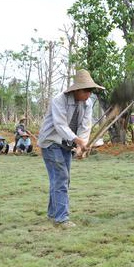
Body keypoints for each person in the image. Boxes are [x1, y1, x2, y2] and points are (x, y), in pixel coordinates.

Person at [37, 69, 105, 228]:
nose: (89, 94)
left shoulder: (87, 104)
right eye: (86, 90)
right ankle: (61, 219)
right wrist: (78, 140)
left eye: (91, 91)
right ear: (77, 90)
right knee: (61, 177)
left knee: (62, 180)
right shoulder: (59, 100)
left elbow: (85, 127)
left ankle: (53, 214)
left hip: (67, 144)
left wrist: (81, 147)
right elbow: (60, 126)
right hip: (51, 142)